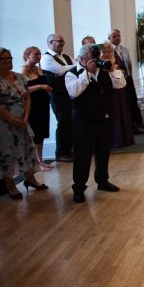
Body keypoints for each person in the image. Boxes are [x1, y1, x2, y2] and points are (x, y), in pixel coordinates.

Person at [66, 43, 126, 203]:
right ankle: (79, 187)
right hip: (83, 121)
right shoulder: (72, 74)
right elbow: (74, 91)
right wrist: (87, 73)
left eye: (97, 57)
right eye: (92, 58)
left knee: (103, 152)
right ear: (82, 58)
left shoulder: (104, 71)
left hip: (104, 119)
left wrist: (112, 70)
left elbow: (121, 84)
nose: (96, 60)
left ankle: (102, 181)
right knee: (83, 155)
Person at [0, 48, 47, 199]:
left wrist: (25, 117)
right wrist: (11, 119)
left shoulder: (19, 77)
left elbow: (27, 98)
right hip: (3, 124)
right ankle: (10, 186)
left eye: (9, 58)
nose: (8, 62)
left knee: (27, 150)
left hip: (22, 120)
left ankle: (31, 180)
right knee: (7, 155)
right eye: (3, 60)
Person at [42, 33, 75, 162]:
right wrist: (72, 67)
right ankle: (61, 152)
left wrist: (69, 68)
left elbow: (75, 68)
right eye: (58, 41)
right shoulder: (46, 58)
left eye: (63, 41)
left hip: (68, 93)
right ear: (50, 43)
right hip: (57, 95)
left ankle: (69, 150)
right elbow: (59, 70)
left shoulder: (66, 57)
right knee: (63, 122)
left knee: (70, 122)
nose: (62, 43)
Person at [20, 46, 54, 171]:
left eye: (39, 54)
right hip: (32, 106)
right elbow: (22, 90)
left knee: (41, 133)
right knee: (34, 134)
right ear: (27, 56)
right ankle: (34, 162)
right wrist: (40, 86)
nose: (39, 56)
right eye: (35, 54)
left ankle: (40, 160)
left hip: (43, 105)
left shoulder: (38, 69)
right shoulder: (23, 71)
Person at [109, 29, 144, 133]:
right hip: (117, 79)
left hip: (127, 77)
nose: (117, 38)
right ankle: (130, 126)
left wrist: (129, 75)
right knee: (125, 102)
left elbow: (129, 63)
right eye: (114, 36)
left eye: (118, 36)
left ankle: (138, 122)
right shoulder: (109, 50)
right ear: (109, 38)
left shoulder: (124, 49)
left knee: (132, 100)